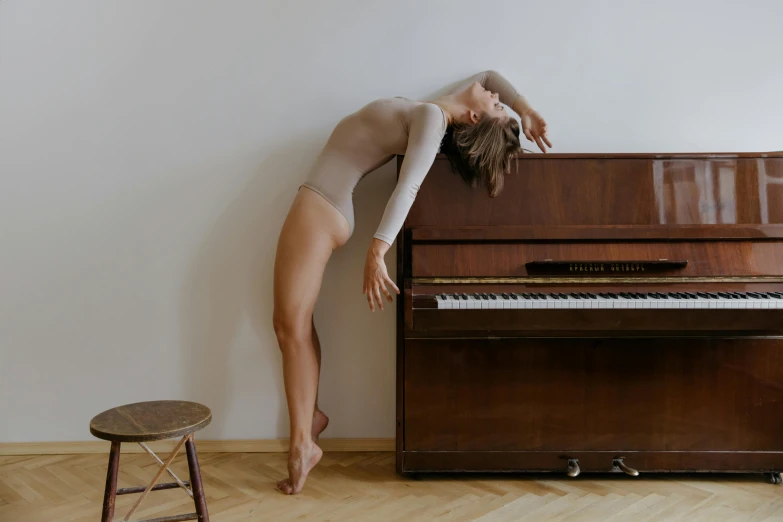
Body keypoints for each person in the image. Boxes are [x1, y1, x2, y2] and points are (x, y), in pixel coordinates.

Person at [272, 70, 552, 494]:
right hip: (325, 204)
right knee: (298, 324)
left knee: (288, 328)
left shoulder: (432, 120)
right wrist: (525, 110)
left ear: (474, 117)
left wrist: (377, 250)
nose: (498, 95)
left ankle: (300, 447)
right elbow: (490, 75)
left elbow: (409, 186)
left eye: (497, 104)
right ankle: (310, 419)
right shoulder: (436, 109)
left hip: (321, 206)